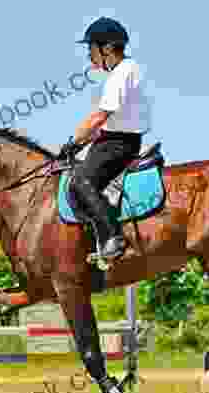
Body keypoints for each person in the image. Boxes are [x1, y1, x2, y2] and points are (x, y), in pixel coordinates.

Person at [63, 17, 151, 261]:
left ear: (107, 48)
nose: (89, 55)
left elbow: (100, 116)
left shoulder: (123, 72)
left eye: (91, 48)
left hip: (118, 144)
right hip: (110, 139)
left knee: (80, 181)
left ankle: (113, 235)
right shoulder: (125, 71)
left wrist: (73, 141)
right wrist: (81, 143)